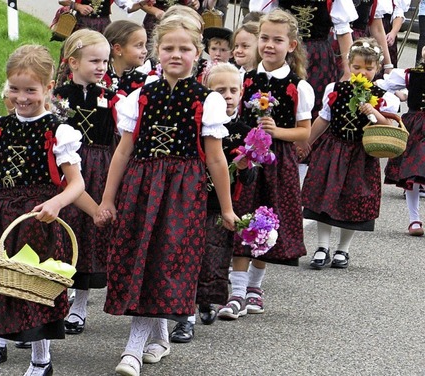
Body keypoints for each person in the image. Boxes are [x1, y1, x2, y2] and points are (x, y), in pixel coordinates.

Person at [97, 14, 238, 376]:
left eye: (185, 48)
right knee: (140, 259)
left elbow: (216, 158)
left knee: (165, 260)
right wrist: (108, 198)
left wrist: (226, 207)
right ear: (157, 52)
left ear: (199, 53)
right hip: (141, 188)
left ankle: (133, 348)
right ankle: (157, 338)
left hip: (182, 192)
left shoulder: (206, 101)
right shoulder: (140, 97)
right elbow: (123, 151)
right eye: (168, 48)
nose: (176, 54)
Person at [0, 44, 90, 376]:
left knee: (33, 291)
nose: (21, 97)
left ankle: (40, 361)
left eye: (30, 90)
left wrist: (56, 202)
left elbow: (77, 184)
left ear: (48, 89)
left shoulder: (57, 131)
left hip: (37, 219)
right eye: (14, 89)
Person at [218, 9, 314, 320]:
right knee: (241, 216)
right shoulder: (243, 78)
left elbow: (304, 132)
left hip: (277, 162)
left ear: (292, 45)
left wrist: (276, 132)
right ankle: (236, 291)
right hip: (246, 160)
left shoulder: (297, 87)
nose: (269, 45)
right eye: (264, 38)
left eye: (277, 40)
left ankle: (255, 287)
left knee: (266, 221)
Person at [171, 63, 257, 343]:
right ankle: (186, 319)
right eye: (220, 90)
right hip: (191, 200)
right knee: (186, 259)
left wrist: (245, 165)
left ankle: (207, 300)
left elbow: (253, 176)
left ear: (242, 92)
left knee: (214, 258)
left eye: (234, 90)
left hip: (222, 205)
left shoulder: (245, 130)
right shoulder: (196, 124)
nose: (228, 95)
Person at [301, 38, 400, 269]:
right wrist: (306, 143)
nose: (362, 73)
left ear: (376, 68)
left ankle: (343, 250)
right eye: (356, 67)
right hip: (333, 149)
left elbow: (389, 125)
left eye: (368, 68)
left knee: (353, 200)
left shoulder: (382, 95)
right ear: (348, 65)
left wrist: (373, 111)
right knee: (323, 197)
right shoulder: (334, 89)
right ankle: (322, 246)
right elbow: (324, 118)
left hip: (360, 155)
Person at [52, 29, 117, 336]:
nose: (101, 66)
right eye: (94, 60)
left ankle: (80, 305)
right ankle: (57, 298)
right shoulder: (60, 96)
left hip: (101, 169)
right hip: (69, 168)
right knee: (63, 233)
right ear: (73, 62)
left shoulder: (112, 97)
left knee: (90, 235)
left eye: (105, 60)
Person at [379, 46, 425, 236]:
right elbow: (384, 85)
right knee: (412, 174)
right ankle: (414, 219)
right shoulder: (410, 75)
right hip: (415, 127)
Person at [102, 20, 150, 95]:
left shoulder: (144, 81)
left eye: (145, 45)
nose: (145, 51)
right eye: (139, 45)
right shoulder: (99, 75)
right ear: (118, 49)